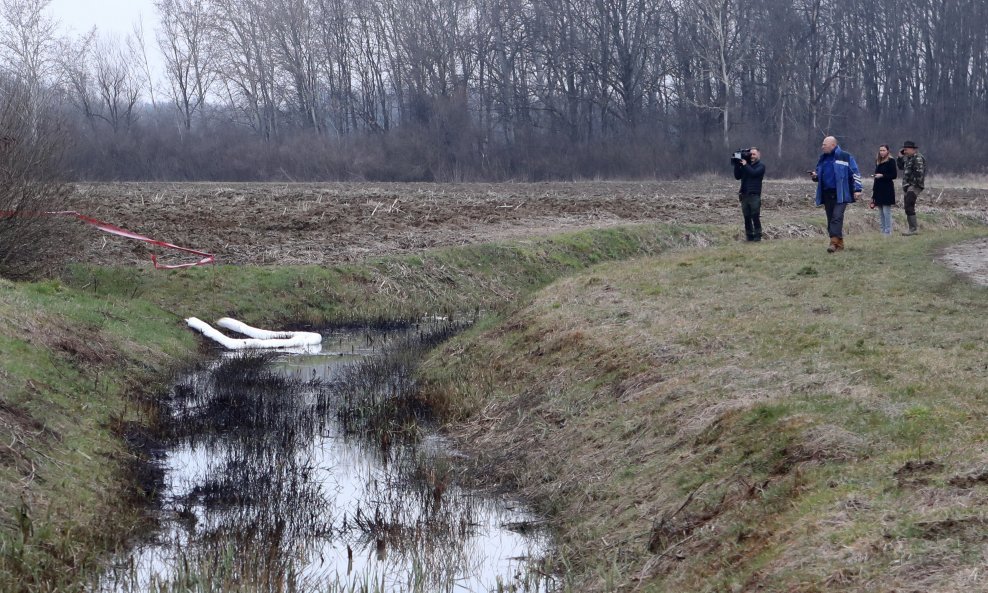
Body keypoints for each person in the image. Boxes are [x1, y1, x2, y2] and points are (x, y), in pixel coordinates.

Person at [809, 136, 863, 253]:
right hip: (827, 193)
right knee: (830, 219)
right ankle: (839, 243)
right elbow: (819, 174)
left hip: (842, 193)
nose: (822, 147)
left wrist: (857, 189)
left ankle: (833, 243)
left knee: (836, 217)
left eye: (824, 145)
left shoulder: (845, 156)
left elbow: (855, 173)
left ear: (833, 145)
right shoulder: (822, 159)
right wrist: (815, 176)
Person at [733, 147, 765, 241]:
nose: (752, 156)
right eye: (750, 154)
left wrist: (746, 165)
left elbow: (753, 173)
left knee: (755, 216)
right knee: (746, 217)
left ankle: (758, 236)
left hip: (754, 195)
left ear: (759, 155)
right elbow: (737, 176)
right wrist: (736, 164)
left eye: (754, 154)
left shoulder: (761, 166)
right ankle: (749, 236)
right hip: (744, 195)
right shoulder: (745, 165)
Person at [896, 140, 926, 235]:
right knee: (908, 206)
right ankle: (912, 228)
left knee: (909, 205)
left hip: (914, 186)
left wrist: (914, 184)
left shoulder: (917, 158)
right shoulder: (908, 158)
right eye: (904, 150)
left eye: (906, 149)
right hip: (908, 186)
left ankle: (913, 229)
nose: (905, 151)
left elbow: (919, 173)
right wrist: (900, 157)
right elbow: (901, 167)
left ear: (913, 149)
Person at [871, 144, 897, 236]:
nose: (882, 152)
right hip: (878, 189)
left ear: (888, 151)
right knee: (880, 212)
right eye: (880, 150)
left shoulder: (891, 161)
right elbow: (876, 177)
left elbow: (894, 175)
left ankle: (888, 231)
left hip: (887, 189)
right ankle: (882, 231)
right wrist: (873, 193)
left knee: (886, 211)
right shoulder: (878, 161)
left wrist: (882, 175)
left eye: (883, 150)